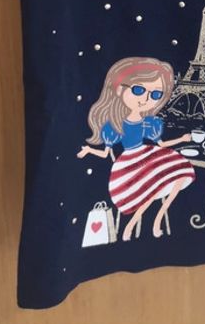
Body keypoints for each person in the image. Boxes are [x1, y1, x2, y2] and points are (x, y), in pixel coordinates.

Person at [77, 56, 195, 240]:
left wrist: (181, 138)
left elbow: (162, 144)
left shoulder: (149, 123)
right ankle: (130, 225)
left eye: (155, 95)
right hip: (129, 162)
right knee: (150, 188)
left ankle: (158, 218)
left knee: (179, 174)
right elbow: (106, 153)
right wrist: (89, 150)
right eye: (138, 90)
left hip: (148, 155)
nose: (146, 99)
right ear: (118, 89)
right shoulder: (114, 125)